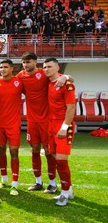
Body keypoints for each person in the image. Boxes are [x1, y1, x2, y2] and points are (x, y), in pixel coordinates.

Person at [16, 52, 70, 193]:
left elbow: (65, 79)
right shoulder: (21, 76)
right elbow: (9, 82)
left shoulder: (44, 73)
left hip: (47, 120)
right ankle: (38, 182)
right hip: (32, 121)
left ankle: (52, 183)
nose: (26, 65)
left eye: (28, 62)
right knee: (34, 150)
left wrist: (66, 76)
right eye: (24, 62)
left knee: (48, 151)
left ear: (35, 62)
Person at [43, 58, 76, 206]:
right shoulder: (49, 83)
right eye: (45, 67)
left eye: (49, 66)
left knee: (62, 160)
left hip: (62, 126)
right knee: (56, 159)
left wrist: (64, 127)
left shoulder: (66, 84)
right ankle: (68, 190)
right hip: (51, 124)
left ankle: (64, 193)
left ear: (57, 68)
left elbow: (71, 108)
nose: (46, 69)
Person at [0, 60, 23, 196]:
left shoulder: (19, 82)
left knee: (14, 152)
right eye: (1, 67)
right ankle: (4, 179)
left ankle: (15, 183)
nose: (2, 69)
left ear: (12, 68)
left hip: (13, 123)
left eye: (5, 67)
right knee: (1, 150)